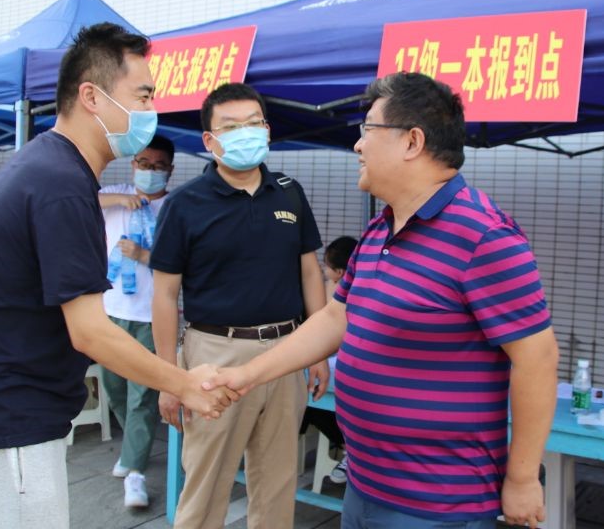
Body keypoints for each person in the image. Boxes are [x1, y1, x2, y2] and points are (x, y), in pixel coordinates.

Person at [206, 72, 560, 529]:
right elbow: (337, 317)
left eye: (367, 130)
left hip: (439, 505)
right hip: (365, 484)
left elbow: (538, 358)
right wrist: (247, 374)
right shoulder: (380, 229)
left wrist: (523, 478)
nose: (357, 145)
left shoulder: (484, 235)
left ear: (412, 141)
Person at [0, 23, 236, 529]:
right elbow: (90, 331)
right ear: (91, 96)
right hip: (4, 422)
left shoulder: (49, 166)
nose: (151, 110)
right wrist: (184, 384)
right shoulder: (62, 184)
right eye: (143, 95)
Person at [150, 82, 329, 529]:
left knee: (277, 482)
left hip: (287, 350)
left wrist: (317, 351)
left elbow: (311, 272)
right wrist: (168, 378)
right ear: (209, 140)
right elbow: (165, 295)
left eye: (253, 123)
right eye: (230, 127)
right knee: (207, 483)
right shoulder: (185, 204)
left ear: (267, 130)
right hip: (214, 355)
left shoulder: (289, 192)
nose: (245, 133)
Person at [98, 134, 175, 508]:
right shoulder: (115, 194)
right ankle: (133, 444)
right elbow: (79, 200)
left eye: (158, 166)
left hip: (150, 314)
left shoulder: (174, 208)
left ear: (169, 171)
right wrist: (118, 200)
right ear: (133, 164)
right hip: (110, 310)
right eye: (144, 163)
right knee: (113, 387)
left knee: (142, 396)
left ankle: (134, 470)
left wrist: (145, 255)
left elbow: (184, 262)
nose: (150, 171)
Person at [299, 235, 357, 484]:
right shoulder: (336, 290)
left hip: (344, 371)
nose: (324, 271)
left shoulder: (341, 293)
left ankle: (349, 449)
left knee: (311, 400)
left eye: (327, 266)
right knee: (309, 400)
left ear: (340, 272)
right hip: (333, 366)